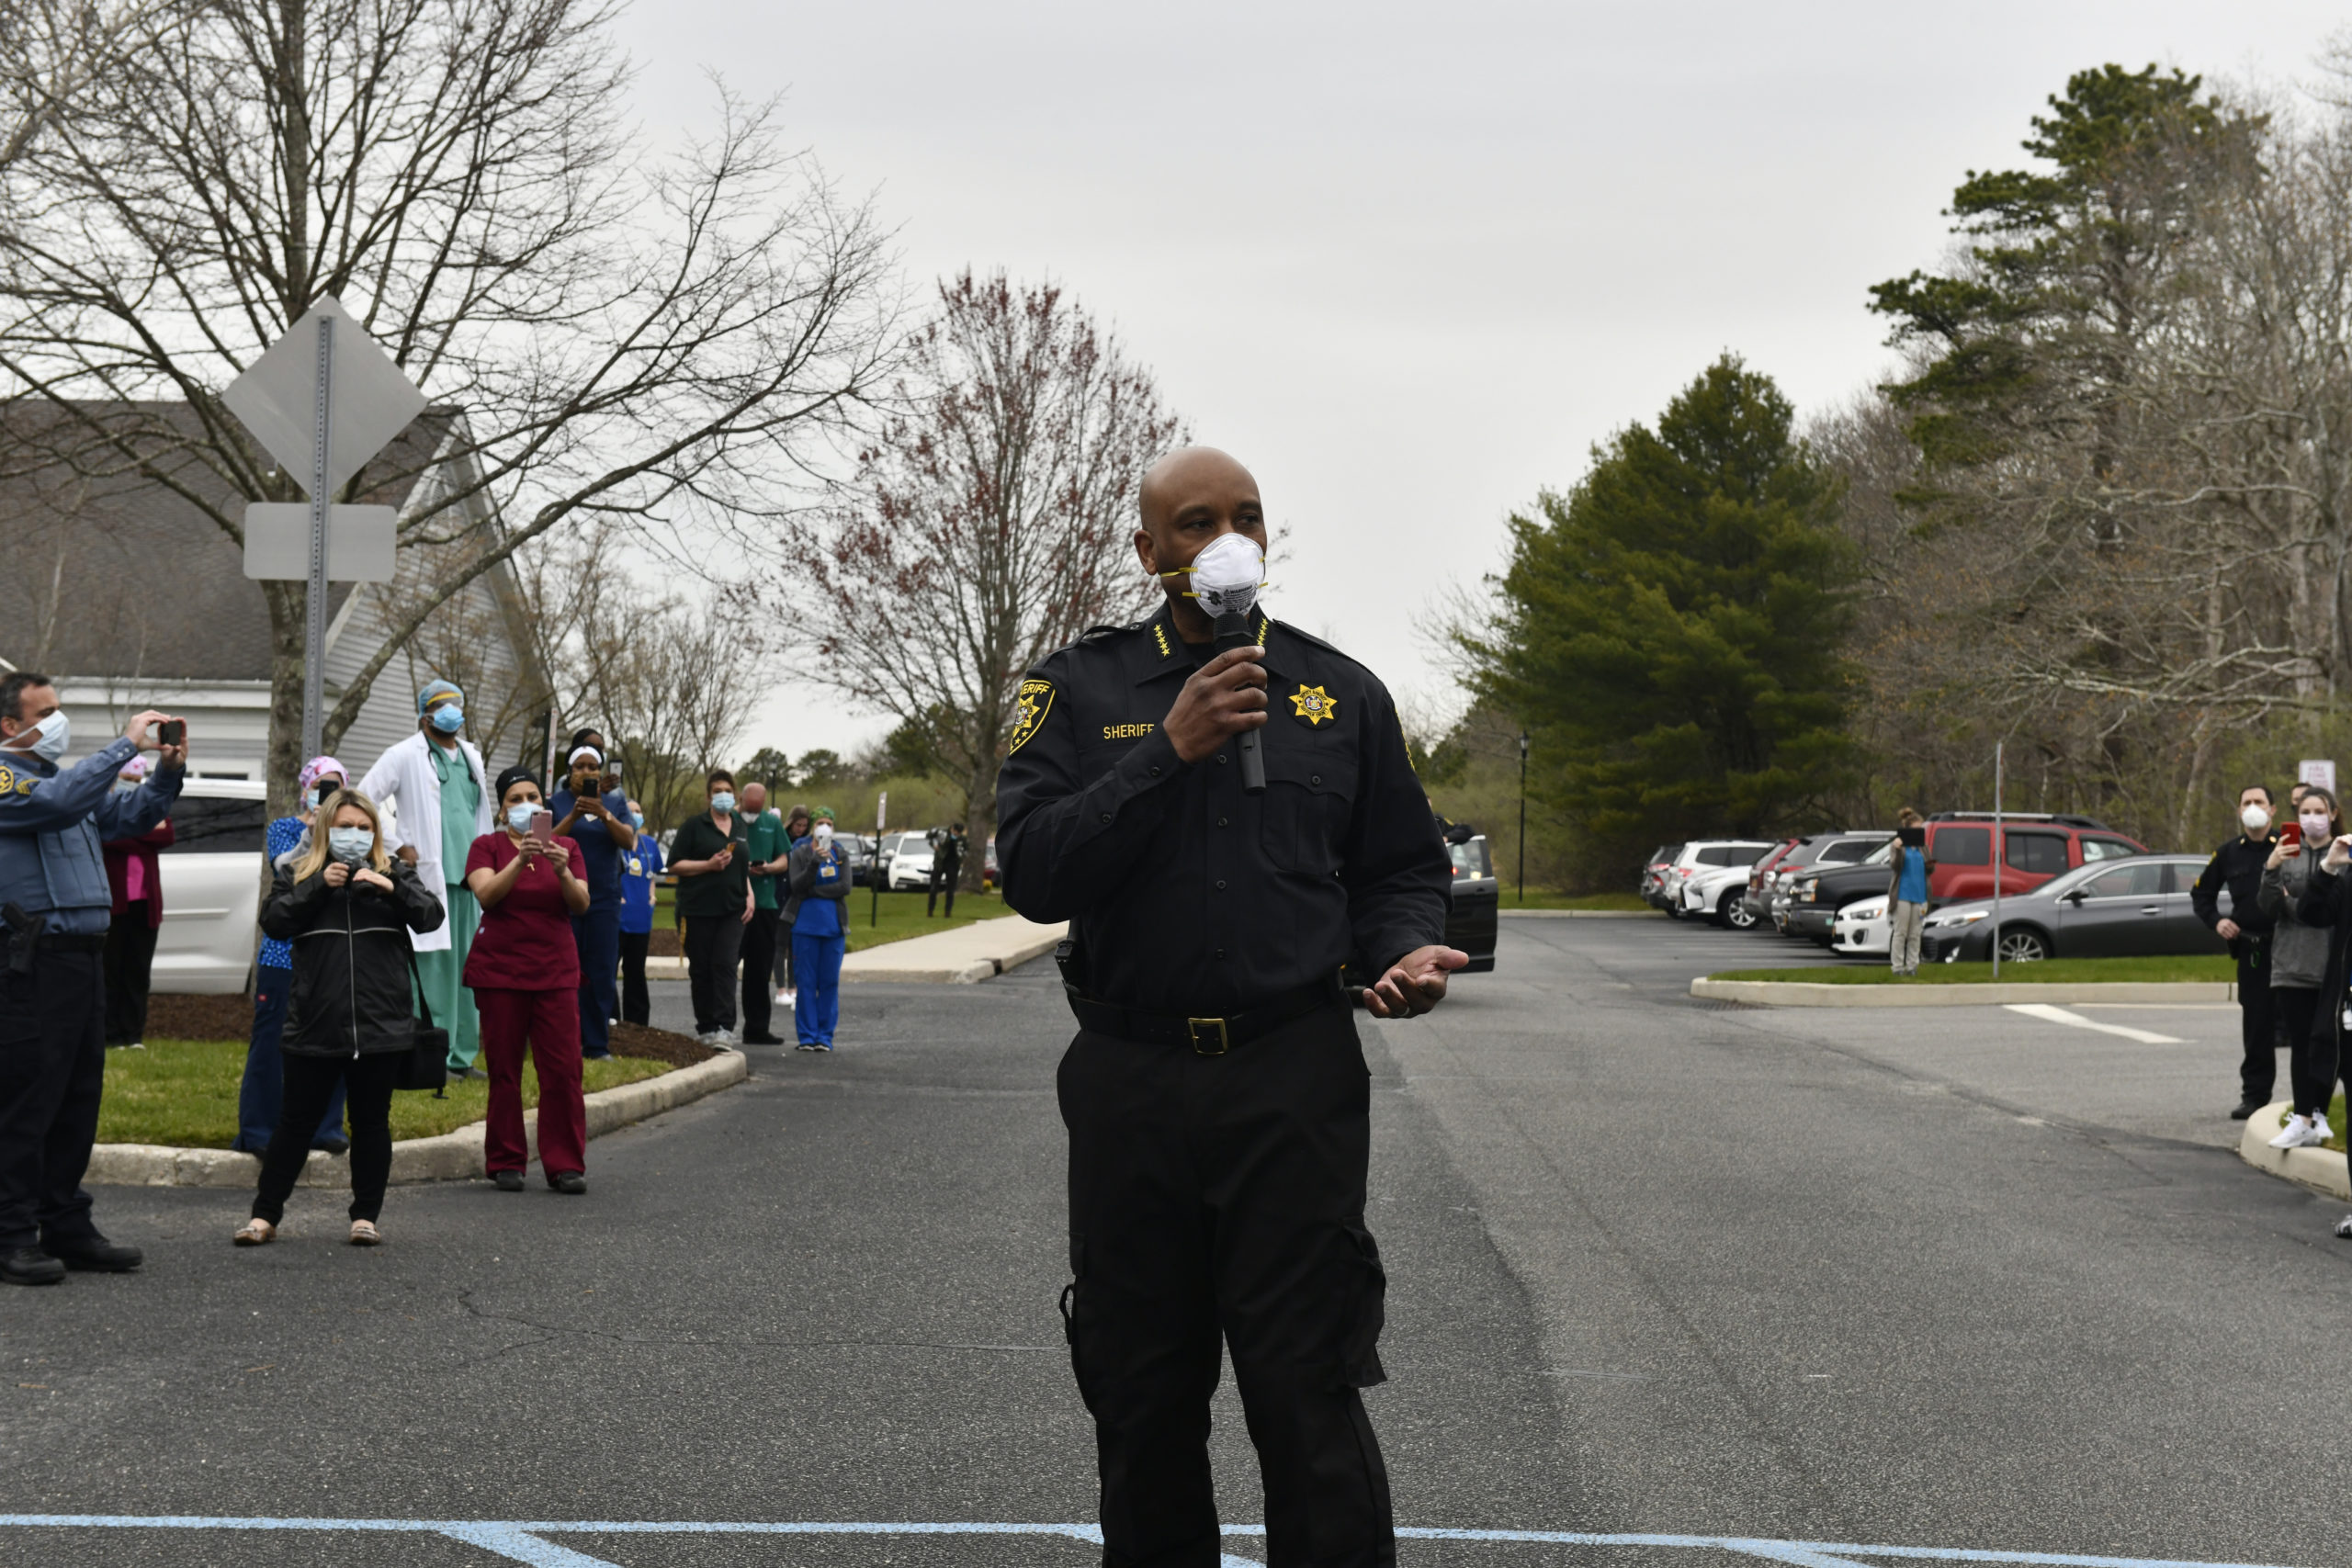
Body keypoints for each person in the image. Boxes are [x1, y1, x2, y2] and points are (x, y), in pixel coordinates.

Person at [996, 446, 1464, 1568]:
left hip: (1290, 1077)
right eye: (1196, 522)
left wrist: (1402, 952)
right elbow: (1036, 874)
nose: (1226, 539)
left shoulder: (1337, 690)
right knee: (1142, 1387)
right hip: (1131, 1083)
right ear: (1149, 550)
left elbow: (1399, 866)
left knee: (1307, 1381)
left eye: (1246, 517)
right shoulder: (1074, 690)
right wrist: (1169, 748)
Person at [0, 673, 185, 1286]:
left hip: (83, 956)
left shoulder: (63, 781)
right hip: (31, 960)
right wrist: (123, 745)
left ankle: (65, 1222)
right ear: (8, 723)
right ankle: (11, 1231)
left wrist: (166, 773)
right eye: (45, 711)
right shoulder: (10, 779)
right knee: (29, 1098)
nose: (58, 719)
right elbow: (53, 807)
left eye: (59, 708)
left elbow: (129, 815)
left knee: (80, 1094)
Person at [233, 789, 445, 1247]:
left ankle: (365, 1217)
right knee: (295, 1124)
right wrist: (318, 886)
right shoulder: (299, 872)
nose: (354, 836)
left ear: (376, 832)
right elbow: (274, 921)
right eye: (345, 827)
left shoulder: (396, 871)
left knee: (371, 1123)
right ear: (326, 828)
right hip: (316, 1022)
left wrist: (393, 886)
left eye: (364, 828)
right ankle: (264, 1216)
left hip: (381, 1024)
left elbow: (431, 916)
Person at [463, 767, 591, 1194]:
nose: (525, 805)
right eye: (514, 799)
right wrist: (521, 860)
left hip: (555, 971)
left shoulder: (568, 847)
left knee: (563, 1070)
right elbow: (486, 895)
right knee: (504, 1068)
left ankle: (565, 1163)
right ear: (501, 811)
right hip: (500, 972)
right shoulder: (487, 847)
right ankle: (506, 1160)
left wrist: (562, 871)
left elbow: (581, 903)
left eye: (532, 796)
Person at [359, 681, 493, 1078]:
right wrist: (399, 843)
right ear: (425, 713)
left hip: (471, 877)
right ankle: (434, 1055)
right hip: (431, 878)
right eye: (442, 705)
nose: (451, 710)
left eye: (457, 704)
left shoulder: (470, 756)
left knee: (469, 970)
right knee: (434, 971)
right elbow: (364, 798)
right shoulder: (402, 755)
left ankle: (463, 1057)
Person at [235, 756, 355, 1156]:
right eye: (320, 783)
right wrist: (313, 832)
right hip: (282, 956)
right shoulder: (284, 828)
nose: (327, 791)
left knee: (333, 1041)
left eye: (335, 784)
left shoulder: (350, 833)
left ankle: (326, 1126)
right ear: (305, 789)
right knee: (270, 1044)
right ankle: (258, 1131)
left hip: (329, 955)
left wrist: (338, 828)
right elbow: (286, 868)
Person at [2193, 784, 2282, 1120]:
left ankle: (2313, 1098)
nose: (2253, 807)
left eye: (2259, 801)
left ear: (2272, 809)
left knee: (2301, 1026)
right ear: (2239, 810)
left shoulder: (2289, 848)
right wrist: (2217, 921)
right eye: (2247, 802)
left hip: (2289, 947)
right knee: (2257, 1025)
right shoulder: (2228, 853)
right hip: (2252, 950)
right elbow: (2201, 895)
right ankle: (2255, 1096)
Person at [548, 734, 636, 1062]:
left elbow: (628, 840)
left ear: (600, 772)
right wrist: (574, 815)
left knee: (600, 971)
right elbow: (545, 840)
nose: (586, 772)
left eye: (593, 767)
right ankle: (565, 1040)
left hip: (604, 899)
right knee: (565, 969)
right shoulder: (555, 803)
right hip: (564, 898)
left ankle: (597, 1045)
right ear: (569, 771)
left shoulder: (614, 801)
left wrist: (603, 813)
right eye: (580, 766)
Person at [2264, 787, 2340, 1150]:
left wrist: (2293, 905)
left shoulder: (2343, 853)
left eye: (2319, 810)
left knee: (2325, 1044)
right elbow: (2265, 906)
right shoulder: (2283, 852)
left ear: (2334, 813)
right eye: (2305, 810)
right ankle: (2302, 1117)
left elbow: (2330, 910)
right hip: (2291, 964)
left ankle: (2320, 1113)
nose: (2312, 817)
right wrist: (2271, 867)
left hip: (2332, 967)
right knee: (2300, 1045)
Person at [670, 769, 752, 1043]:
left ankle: (725, 1027)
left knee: (726, 965)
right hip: (698, 909)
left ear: (736, 795)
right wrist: (708, 865)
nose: (723, 796)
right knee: (703, 968)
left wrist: (749, 893)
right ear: (708, 796)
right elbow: (675, 865)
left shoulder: (740, 826)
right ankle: (706, 1027)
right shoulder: (694, 826)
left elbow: (742, 866)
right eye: (717, 791)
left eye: (728, 791)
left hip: (732, 909)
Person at [99, 755, 174, 1047]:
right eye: (126, 780)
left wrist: (128, 831)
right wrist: (144, 832)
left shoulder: (150, 805)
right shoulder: (105, 806)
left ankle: (133, 1035)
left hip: (145, 904)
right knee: (110, 970)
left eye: (135, 780)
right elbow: (106, 838)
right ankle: (110, 1034)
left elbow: (167, 836)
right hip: (114, 903)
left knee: (138, 970)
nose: (130, 785)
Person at [785, 807, 851, 1052]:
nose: (825, 827)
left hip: (833, 928)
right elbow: (797, 886)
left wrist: (815, 892)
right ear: (813, 827)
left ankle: (825, 1036)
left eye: (829, 823)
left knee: (829, 982)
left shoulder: (841, 853)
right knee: (806, 982)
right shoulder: (800, 853)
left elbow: (845, 887)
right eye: (821, 823)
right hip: (805, 927)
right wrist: (814, 864)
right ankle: (807, 1036)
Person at [738, 781, 791, 1044]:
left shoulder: (772, 823)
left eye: (757, 811)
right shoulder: (729, 821)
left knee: (759, 970)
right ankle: (718, 1025)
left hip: (765, 905)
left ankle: (757, 1028)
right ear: (741, 799)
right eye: (749, 809)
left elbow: (784, 859)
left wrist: (768, 868)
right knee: (725, 967)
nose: (752, 815)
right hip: (733, 904)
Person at [617, 798, 662, 1029]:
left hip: (641, 919)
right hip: (617, 918)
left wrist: (652, 897)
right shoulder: (614, 842)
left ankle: (637, 1024)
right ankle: (611, 1019)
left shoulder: (649, 844)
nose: (635, 815)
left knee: (635, 973)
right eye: (630, 811)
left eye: (639, 811)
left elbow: (651, 875)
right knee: (608, 972)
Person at [1884, 807, 1934, 978]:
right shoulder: (1898, 846)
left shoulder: (1923, 847)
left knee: (1915, 934)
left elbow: (1930, 869)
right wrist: (1898, 849)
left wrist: (1930, 863)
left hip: (1920, 895)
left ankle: (1912, 965)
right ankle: (1897, 966)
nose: (1919, 832)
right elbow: (1895, 867)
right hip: (1903, 894)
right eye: (1915, 829)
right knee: (1901, 932)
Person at [775, 805, 811, 1007]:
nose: (801, 829)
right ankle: (781, 988)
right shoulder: (783, 840)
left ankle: (793, 987)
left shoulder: (807, 844)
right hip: (782, 897)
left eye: (805, 826)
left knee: (794, 947)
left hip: (798, 899)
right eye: (798, 825)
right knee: (780, 945)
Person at [926, 822, 967, 918]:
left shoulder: (962, 839)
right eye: (955, 832)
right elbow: (929, 836)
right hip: (939, 863)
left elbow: (966, 849)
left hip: (953, 865)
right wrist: (934, 845)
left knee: (950, 890)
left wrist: (962, 858)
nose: (956, 835)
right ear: (952, 829)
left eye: (958, 833)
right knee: (934, 888)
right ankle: (930, 911)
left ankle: (947, 912)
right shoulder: (941, 832)